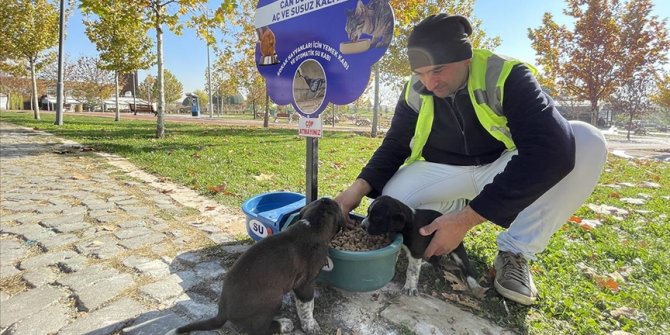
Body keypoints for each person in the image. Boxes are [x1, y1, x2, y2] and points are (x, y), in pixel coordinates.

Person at [334, 14, 607, 305]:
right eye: (422, 72)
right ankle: (441, 221)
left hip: (501, 165)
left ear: (466, 57)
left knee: (586, 141)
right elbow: (394, 145)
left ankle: (515, 251)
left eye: (438, 70)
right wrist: (354, 191)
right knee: (394, 198)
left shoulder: (505, 74)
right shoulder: (415, 88)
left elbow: (551, 148)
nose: (429, 82)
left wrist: (466, 220)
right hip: (446, 171)